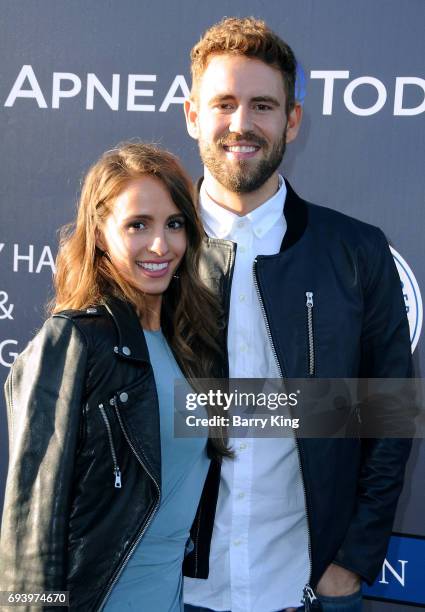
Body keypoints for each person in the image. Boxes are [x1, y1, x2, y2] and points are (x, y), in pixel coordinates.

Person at [182, 17, 413, 612]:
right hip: (167, 587)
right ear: (192, 115)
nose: (241, 124)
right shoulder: (146, 255)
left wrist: (350, 564)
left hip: (307, 588)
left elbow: (389, 417)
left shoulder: (356, 252)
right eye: (223, 103)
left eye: (262, 105)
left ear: (292, 120)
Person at [0, 142, 230, 611]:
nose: (161, 245)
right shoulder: (75, 342)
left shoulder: (190, 345)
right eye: (137, 225)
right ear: (100, 233)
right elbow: (31, 523)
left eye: (175, 224)